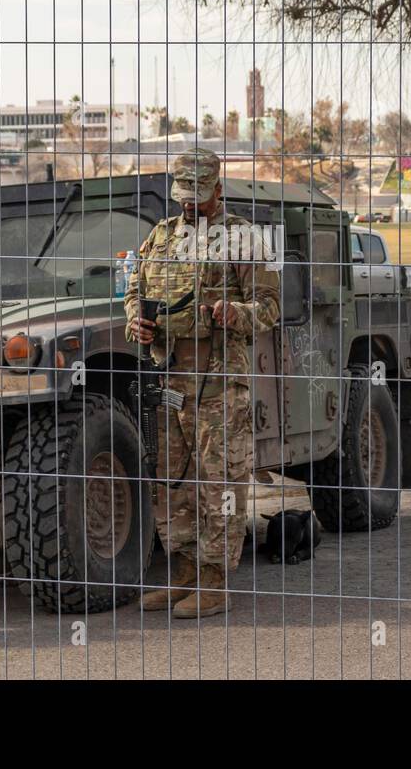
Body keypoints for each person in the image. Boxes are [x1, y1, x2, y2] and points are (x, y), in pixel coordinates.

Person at [124, 148, 281, 618]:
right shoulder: (162, 236)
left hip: (219, 385)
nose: (190, 204)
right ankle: (184, 577)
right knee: (173, 484)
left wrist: (235, 313)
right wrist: (138, 320)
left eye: (199, 194)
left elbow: (270, 309)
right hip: (169, 381)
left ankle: (215, 583)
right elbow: (135, 288)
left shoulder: (242, 239)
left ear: (217, 188)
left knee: (220, 484)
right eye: (183, 195)